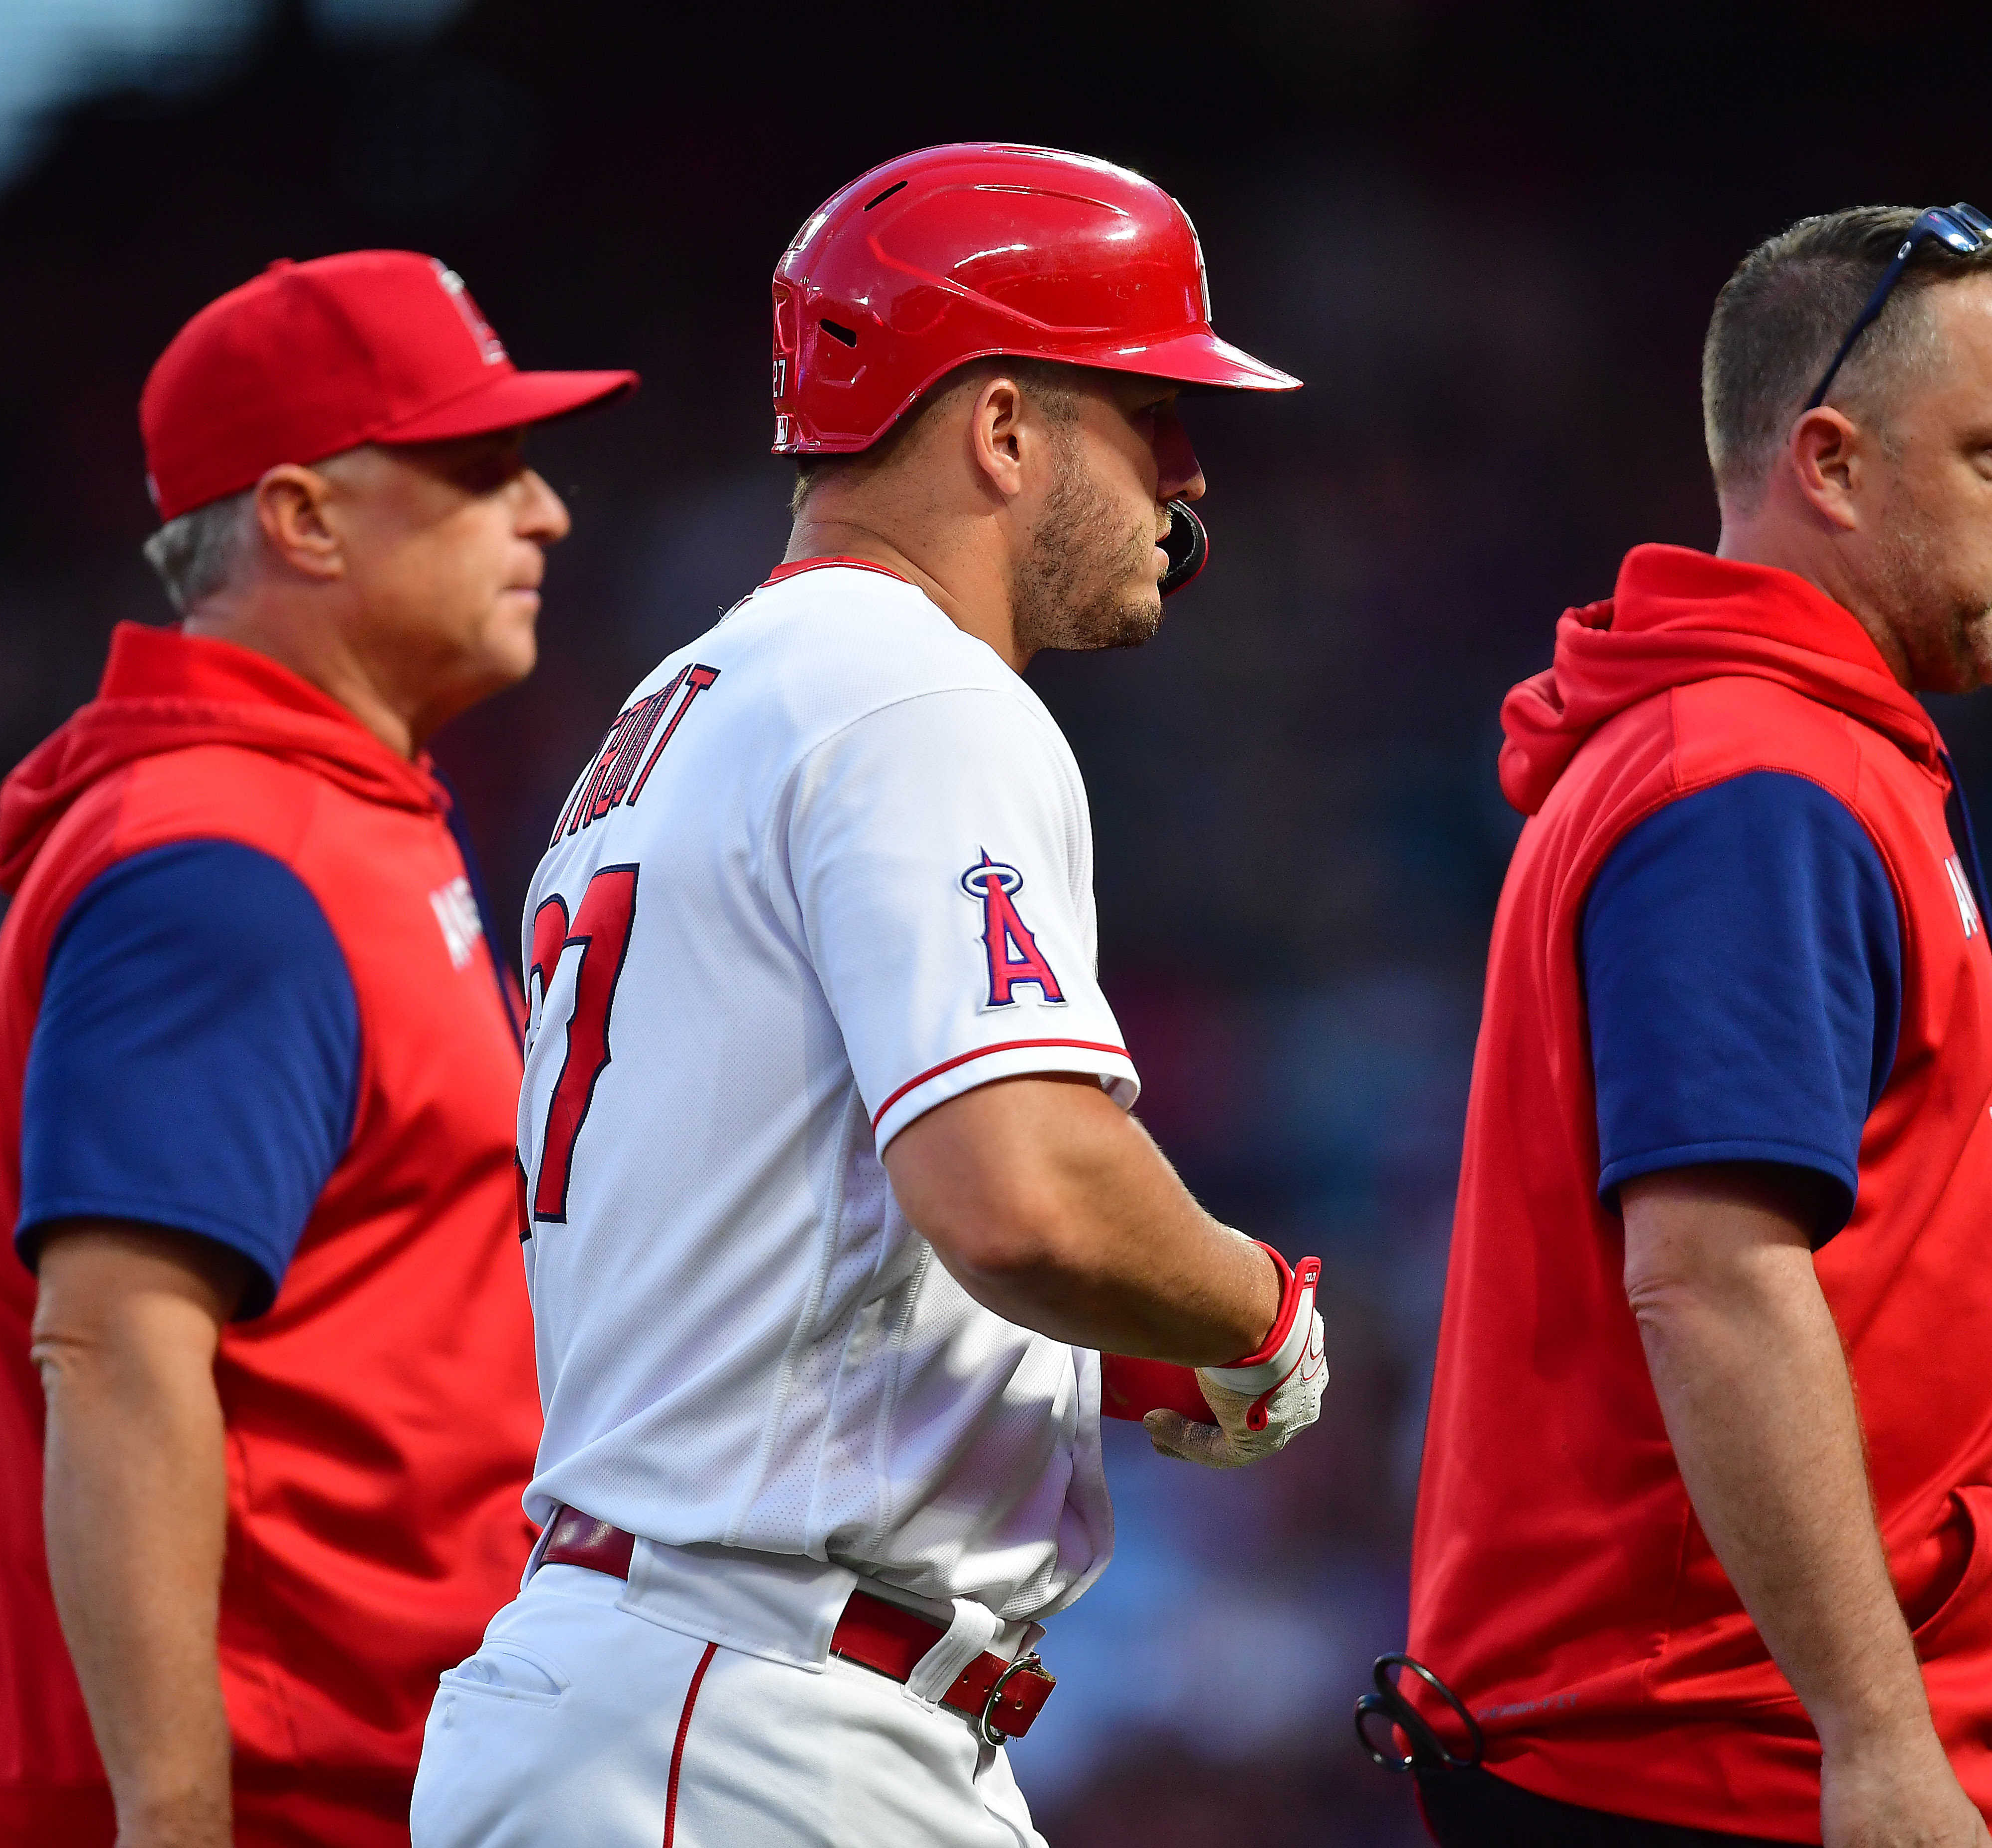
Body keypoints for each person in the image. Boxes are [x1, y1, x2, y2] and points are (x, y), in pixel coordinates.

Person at [409, 143, 1327, 1848]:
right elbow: (1026, 1194)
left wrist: (1088, 1363)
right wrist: (1255, 1314)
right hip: (751, 1715)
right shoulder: (918, 696)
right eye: (1150, 414)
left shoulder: (678, 713)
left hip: (669, 1689)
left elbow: (773, 1237)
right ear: (1000, 430)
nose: (1189, 473)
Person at [1400, 205, 1992, 1847]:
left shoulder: (1793, 750)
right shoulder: (1752, 782)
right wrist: (1874, 1735)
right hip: (1720, 1762)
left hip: (1726, 1744)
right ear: (1832, 466)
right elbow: (1712, 1280)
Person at [0, 250, 638, 1848]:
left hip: (391, 1776)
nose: (547, 515)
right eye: (480, 469)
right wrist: (177, 1823)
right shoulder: (225, 862)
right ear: (304, 519)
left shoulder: (333, 820)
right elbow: (115, 1351)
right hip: (276, 1802)